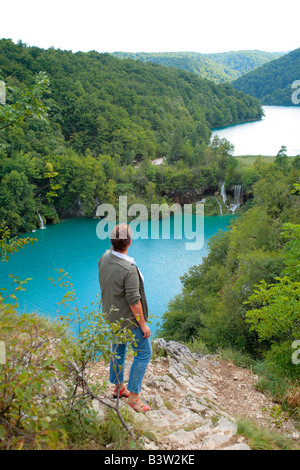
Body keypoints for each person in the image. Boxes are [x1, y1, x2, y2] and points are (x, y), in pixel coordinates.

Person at [98, 223, 152, 413]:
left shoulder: (105, 258)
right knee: (144, 353)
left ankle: (118, 388)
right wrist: (143, 325)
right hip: (129, 322)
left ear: (112, 242)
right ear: (128, 242)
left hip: (111, 315)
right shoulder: (128, 269)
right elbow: (134, 301)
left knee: (118, 350)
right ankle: (134, 398)